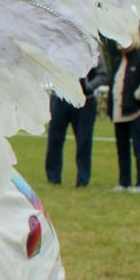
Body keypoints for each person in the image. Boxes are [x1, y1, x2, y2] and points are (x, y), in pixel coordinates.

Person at [45, 53, 108, 187]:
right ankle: (53, 177)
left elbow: (102, 74)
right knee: (54, 138)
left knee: (84, 140)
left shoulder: (93, 47)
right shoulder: (58, 44)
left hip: (85, 100)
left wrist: (89, 86)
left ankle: (83, 179)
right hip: (60, 97)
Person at [107, 30, 140, 193]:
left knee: (139, 147)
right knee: (122, 149)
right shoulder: (117, 62)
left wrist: (137, 95)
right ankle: (124, 182)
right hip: (119, 114)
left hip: (136, 112)